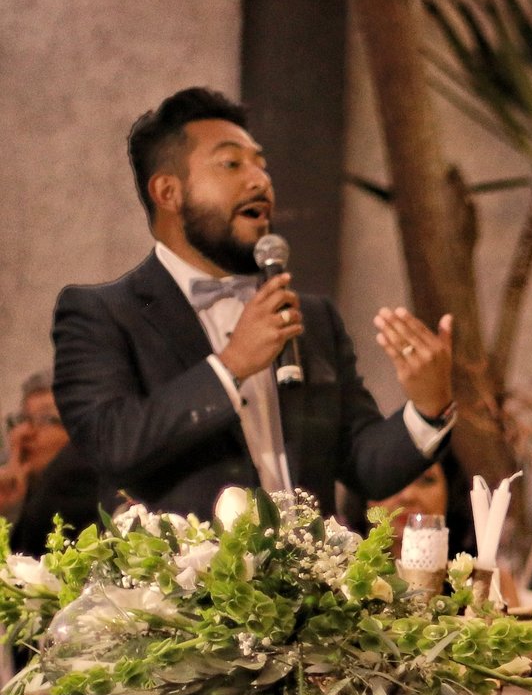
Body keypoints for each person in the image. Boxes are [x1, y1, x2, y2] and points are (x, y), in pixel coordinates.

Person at [52, 87, 455, 523]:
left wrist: (428, 408)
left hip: (311, 566)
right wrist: (231, 367)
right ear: (168, 191)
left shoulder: (311, 318)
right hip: (182, 568)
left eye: (261, 164)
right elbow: (111, 442)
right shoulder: (101, 314)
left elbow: (364, 465)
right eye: (232, 164)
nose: (260, 181)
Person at [1, 373, 101, 555]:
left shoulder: (74, 484)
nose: (22, 432)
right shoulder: (25, 493)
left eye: (45, 419)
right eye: (22, 419)